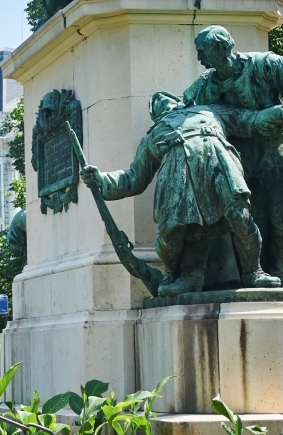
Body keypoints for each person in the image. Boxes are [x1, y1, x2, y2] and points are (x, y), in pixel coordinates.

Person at [79, 91, 283, 296]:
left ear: (180, 101)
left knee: (240, 217)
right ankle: (187, 277)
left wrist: (277, 113)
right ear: (154, 115)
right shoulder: (153, 135)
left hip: (219, 167)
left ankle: (253, 272)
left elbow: (249, 120)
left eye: (165, 97)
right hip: (178, 180)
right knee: (171, 239)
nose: (160, 100)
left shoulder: (208, 110)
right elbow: (133, 178)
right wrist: (100, 178)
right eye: (155, 102)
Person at [184, 25, 283, 277]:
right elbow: (181, 107)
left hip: (274, 153)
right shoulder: (204, 86)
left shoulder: (265, 65)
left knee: (280, 214)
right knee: (247, 221)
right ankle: (254, 274)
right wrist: (161, 104)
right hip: (239, 163)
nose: (199, 59)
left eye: (202, 51)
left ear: (218, 48)